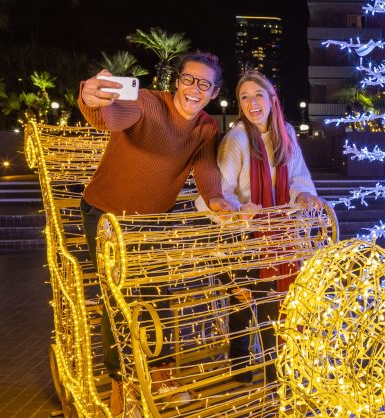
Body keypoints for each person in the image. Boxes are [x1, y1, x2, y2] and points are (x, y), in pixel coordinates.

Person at [78, 51, 234, 415]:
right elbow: (113, 117)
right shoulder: (147, 102)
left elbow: (206, 167)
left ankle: (160, 371)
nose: (194, 89)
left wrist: (216, 200)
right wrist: (91, 100)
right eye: (188, 79)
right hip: (104, 215)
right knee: (117, 298)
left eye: (204, 84)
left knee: (159, 292)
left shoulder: (206, 127)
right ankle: (122, 381)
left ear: (214, 93)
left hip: (150, 221)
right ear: (177, 81)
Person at [195, 69, 318, 384]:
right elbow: (219, 191)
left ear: (272, 99)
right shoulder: (237, 139)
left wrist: (303, 193)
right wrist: (238, 209)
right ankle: (243, 371)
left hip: (281, 234)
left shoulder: (286, 133)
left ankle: (275, 372)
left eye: (258, 95)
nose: (252, 103)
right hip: (245, 234)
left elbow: (298, 177)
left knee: (275, 303)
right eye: (244, 98)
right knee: (246, 302)